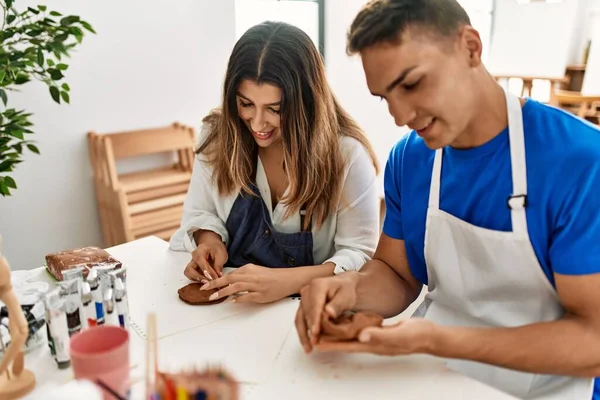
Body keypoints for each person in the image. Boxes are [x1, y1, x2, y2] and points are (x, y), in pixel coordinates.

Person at [294, 1, 600, 399]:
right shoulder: (410, 158)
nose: (400, 115)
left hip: (545, 387)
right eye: (385, 97)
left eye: (411, 84)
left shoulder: (579, 163)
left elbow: (592, 341)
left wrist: (438, 339)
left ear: (470, 47)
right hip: (434, 378)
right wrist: (350, 289)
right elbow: (397, 274)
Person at [169, 21, 381, 305]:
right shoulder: (218, 135)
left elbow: (361, 255)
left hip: (309, 309)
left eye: (275, 109)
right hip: (230, 309)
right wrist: (209, 242)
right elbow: (200, 212)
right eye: (246, 104)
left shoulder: (346, 155)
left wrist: (287, 281)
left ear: (307, 102)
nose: (258, 124)